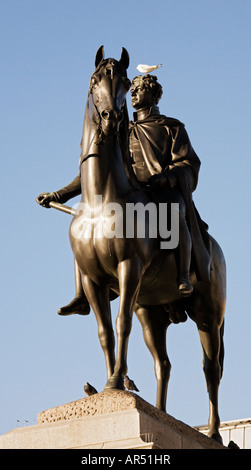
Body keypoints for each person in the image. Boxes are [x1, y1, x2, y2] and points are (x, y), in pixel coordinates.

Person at [36, 74, 210, 315]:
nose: (135, 94)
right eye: (133, 90)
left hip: (159, 193)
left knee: (175, 208)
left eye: (140, 89)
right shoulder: (120, 129)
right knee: (86, 222)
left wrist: (168, 177)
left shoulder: (170, 127)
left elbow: (187, 163)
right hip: (127, 195)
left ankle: (183, 275)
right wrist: (59, 194)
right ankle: (81, 295)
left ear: (154, 94)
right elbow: (92, 173)